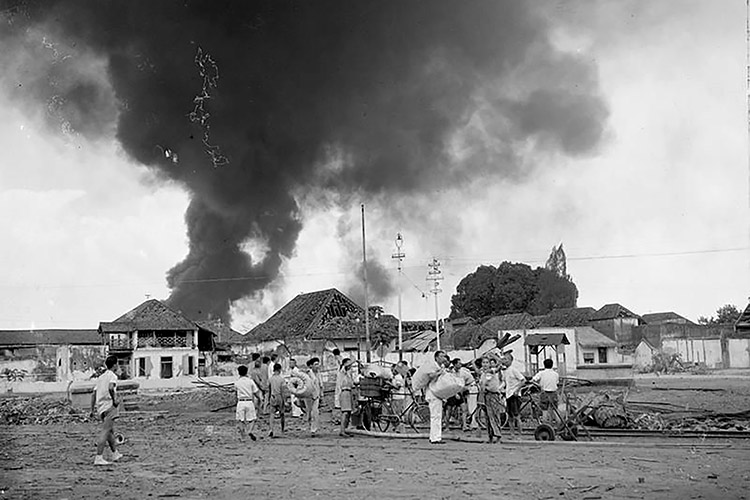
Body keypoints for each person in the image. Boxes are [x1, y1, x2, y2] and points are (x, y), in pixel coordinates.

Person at [91, 355, 123, 465]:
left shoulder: (101, 377)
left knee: (109, 431)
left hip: (101, 408)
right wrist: (114, 400)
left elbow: (94, 394)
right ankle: (98, 457)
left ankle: (115, 453)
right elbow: (110, 387)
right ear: (115, 365)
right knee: (105, 431)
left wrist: (92, 410)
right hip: (109, 406)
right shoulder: (112, 376)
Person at [414, 350, 450, 444]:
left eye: (444, 356)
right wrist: (440, 373)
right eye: (442, 356)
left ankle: (435, 436)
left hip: (436, 393)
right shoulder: (432, 366)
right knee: (435, 416)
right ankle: (435, 438)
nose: (443, 358)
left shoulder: (439, 367)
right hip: (433, 394)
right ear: (437, 357)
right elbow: (431, 375)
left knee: (437, 416)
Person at [479, 355, 505, 443]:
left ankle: (498, 435)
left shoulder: (492, 371)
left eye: (487, 362)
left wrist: (494, 355)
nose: (485, 364)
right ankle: (490, 436)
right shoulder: (483, 374)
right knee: (487, 417)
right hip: (485, 396)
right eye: (483, 363)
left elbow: (499, 365)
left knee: (494, 415)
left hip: (493, 395)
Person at [502, 352, 527, 438]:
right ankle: (512, 434)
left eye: (506, 359)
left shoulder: (514, 370)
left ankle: (520, 435)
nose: (504, 361)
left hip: (514, 396)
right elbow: (505, 383)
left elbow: (523, 380)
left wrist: (517, 390)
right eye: (504, 359)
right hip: (508, 395)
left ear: (511, 360)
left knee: (516, 416)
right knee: (510, 416)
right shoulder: (506, 371)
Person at [235, 364, 261, 442]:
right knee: (253, 419)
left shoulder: (237, 382)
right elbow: (256, 392)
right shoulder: (250, 381)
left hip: (240, 402)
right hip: (249, 401)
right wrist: (259, 399)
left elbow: (235, 393)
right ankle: (249, 430)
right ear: (246, 372)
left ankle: (243, 437)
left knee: (240, 420)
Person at [532, 358, 559, 425]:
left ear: (544, 365)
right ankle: (559, 425)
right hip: (554, 392)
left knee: (544, 410)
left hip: (544, 393)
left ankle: (545, 426)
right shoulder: (555, 374)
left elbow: (533, 380)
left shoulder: (541, 373)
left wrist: (539, 385)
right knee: (555, 410)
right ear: (552, 365)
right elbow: (557, 382)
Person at [301, 357, 323, 436]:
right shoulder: (308, 373)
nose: (317, 366)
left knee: (315, 412)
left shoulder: (319, 373)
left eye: (318, 364)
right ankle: (309, 425)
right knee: (309, 413)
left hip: (316, 395)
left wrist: (321, 395)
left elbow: (320, 385)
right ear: (311, 366)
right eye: (315, 364)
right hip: (308, 396)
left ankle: (313, 429)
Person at [268, 362, 289, 437]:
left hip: (272, 396)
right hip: (279, 396)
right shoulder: (281, 379)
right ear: (279, 370)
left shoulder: (271, 379)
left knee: (272, 414)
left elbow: (269, 389)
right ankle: (282, 429)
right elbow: (283, 391)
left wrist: (268, 399)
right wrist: (285, 401)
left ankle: (271, 429)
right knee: (282, 414)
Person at [338, 358, 355, 436]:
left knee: (348, 412)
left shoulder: (349, 373)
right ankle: (342, 430)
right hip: (344, 392)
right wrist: (354, 361)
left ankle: (345, 429)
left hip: (349, 392)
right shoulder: (342, 371)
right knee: (345, 412)